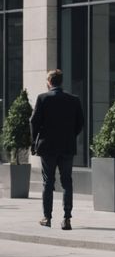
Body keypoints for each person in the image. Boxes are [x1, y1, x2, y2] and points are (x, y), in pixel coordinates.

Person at [30, 69, 84, 230]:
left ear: (49, 82)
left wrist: (34, 141)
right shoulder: (73, 99)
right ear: (61, 82)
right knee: (67, 181)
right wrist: (70, 135)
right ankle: (67, 219)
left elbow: (34, 121)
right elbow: (80, 122)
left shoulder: (43, 98)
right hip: (67, 146)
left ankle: (47, 217)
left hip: (47, 146)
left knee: (48, 182)